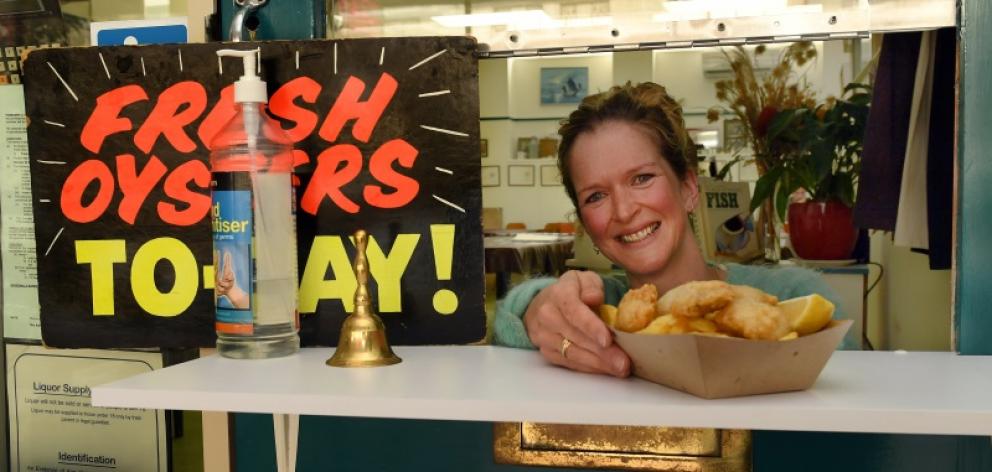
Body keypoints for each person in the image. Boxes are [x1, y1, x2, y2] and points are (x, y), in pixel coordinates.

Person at [492, 82, 852, 377]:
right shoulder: (598, 314)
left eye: (642, 178)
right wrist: (536, 307)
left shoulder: (793, 296)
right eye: (596, 196)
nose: (624, 210)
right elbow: (508, 329)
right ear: (585, 223)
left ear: (688, 188)